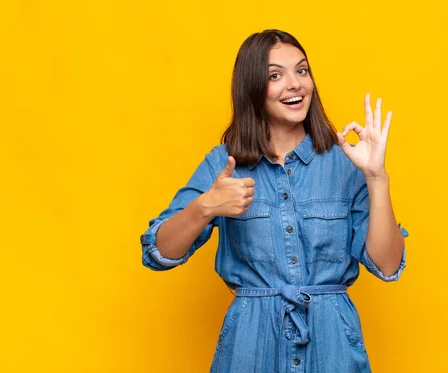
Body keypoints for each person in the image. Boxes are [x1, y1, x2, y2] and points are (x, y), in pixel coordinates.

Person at [140, 29, 409, 373]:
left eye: (302, 70)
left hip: (333, 347)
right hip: (251, 346)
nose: (295, 84)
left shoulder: (346, 163)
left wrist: (376, 176)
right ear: (253, 89)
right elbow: (158, 253)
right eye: (275, 76)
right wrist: (206, 205)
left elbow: (387, 266)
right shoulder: (224, 165)